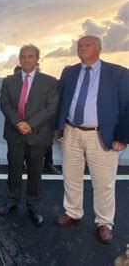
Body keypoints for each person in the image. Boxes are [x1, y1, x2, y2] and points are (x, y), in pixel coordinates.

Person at [54, 35, 128, 244]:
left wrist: (122, 137)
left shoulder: (118, 73)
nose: (82, 49)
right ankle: (73, 212)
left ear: (98, 48)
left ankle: (104, 222)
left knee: (103, 182)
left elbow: (127, 105)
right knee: (71, 176)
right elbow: (61, 100)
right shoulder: (70, 72)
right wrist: (57, 127)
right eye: (79, 46)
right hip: (72, 131)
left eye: (87, 45)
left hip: (101, 135)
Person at [0, 44, 58, 226]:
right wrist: (19, 123)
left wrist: (30, 125)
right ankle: (12, 200)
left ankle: (33, 205)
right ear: (19, 59)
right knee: (14, 169)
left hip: (37, 134)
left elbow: (51, 107)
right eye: (23, 56)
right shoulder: (9, 81)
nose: (26, 59)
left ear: (37, 59)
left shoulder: (49, 81)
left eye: (30, 56)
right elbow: (5, 105)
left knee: (35, 171)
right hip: (15, 133)